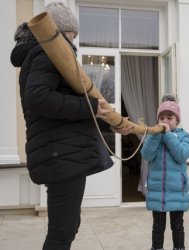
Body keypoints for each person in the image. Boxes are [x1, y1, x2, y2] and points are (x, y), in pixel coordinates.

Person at [10, 2, 130, 249]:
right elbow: (39, 97)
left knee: (67, 227)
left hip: (61, 154)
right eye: (71, 36)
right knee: (61, 234)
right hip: (62, 156)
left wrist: (105, 116)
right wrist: (92, 107)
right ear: (57, 32)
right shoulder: (46, 52)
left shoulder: (40, 55)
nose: (72, 44)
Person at [140, 98, 189, 250]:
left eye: (170, 118)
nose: (165, 121)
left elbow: (182, 155)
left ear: (177, 120)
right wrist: (156, 135)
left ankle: (179, 247)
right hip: (157, 190)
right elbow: (147, 155)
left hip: (176, 189)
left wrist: (168, 135)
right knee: (158, 226)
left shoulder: (184, 136)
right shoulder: (152, 136)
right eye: (162, 118)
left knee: (177, 225)